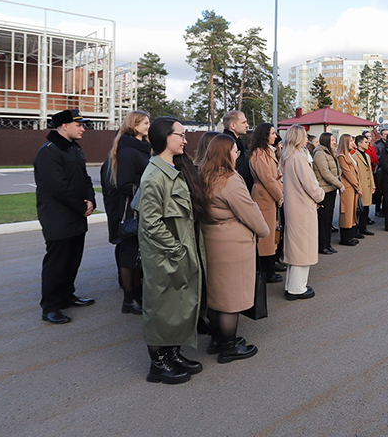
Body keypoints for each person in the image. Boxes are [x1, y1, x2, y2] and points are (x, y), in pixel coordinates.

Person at [138, 116, 208, 384]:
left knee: (178, 306)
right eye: (180, 134)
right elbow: (151, 224)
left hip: (181, 252)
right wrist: (177, 251)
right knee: (162, 307)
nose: (185, 139)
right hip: (166, 256)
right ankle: (158, 364)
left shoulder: (173, 168)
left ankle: (173, 354)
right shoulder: (155, 175)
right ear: (165, 137)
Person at [199, 134, 269, 363]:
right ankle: (229, 346)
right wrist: (263, 231)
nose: (237, 154)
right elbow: (249, 211)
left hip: (211, 239)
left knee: (216, 294)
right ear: (224, 153)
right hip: (232, 245)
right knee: (231, 296)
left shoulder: (204, 175)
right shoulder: (229, 179)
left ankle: (217, 340)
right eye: (233, 151)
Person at [34, 109, 97, 325]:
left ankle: (67, 296)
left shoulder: (73, 148)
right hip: (58, 216)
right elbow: (58, 187)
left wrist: (91, 200)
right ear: (64, 126)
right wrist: (81, 206)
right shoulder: (48, 152)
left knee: (72, 259)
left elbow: (85, 178)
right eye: (79, 125)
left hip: (76, 215)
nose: (83, 129)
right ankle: (50, 306)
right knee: (57, 262)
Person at [100, 110, 151, 316]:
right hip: (132, 212)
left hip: (137, 209)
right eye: (145, 123)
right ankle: (129, 300)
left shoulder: (139, 148)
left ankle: (136, 295)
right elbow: (125, 184)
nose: (149, 126)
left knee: (136, 254)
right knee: (130, 254)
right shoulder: (129, 151)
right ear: (134, 125)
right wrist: (147, 193)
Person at [280, 125, 325, 300]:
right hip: (303, 208)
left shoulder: (287, 156)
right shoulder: (298, 157)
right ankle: (297, 289)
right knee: (302, 248)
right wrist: (320, 195)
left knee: (295, 247)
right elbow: (310, 185)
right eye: (304, 136)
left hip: (294, 207)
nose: (306, 139)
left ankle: (292, 285)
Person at [248, 123, 284, 282]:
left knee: (271, 234)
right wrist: (279, 195)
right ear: (264, 135)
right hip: (264, 196)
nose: (275, 136)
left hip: (270, 195)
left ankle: (269, 269)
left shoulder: (267, 152)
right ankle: (266, 272)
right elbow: (267, 179)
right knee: (265, 236)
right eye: (272, 133)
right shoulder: (259, 154)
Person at [313, 133, 348, 250]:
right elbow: (326, 173)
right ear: (326, 140)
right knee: (323, 220)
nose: (334, 142)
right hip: (324, 190)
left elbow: (336, 170)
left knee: (328, 218)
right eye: (332, 140)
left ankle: (327, 244)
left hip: (331, 189)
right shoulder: (319, 154)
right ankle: (322, 245)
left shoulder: (330, 152)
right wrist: (339, 184)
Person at [337, 134, 364, 243]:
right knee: (347, 212)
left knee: (352, 211)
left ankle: (351, 235)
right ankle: (345, 237)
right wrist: (358, 187)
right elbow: (348, 173)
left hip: (353, 186)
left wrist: (358, 186)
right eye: (351, 141)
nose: (353, 143)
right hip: (348, 187)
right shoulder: (341, 156)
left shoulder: (348, 155)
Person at [222, 110, 253, 191]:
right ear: (233, 125)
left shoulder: (238, 142)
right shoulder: (227, 144)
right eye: (243, 122)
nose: (247, 125)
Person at [354, 134, 377, 236]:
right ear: (359, 143)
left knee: (366, 207)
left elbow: (370, 172)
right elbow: (355, 173)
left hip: (368, 184)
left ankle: (363, 227)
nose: (368, 144)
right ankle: (356, 228)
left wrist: (373, 185)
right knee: (359, 209)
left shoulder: (367, 155)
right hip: (361, 185)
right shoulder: (355, 156)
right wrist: (358, 187)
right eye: (365, 142)